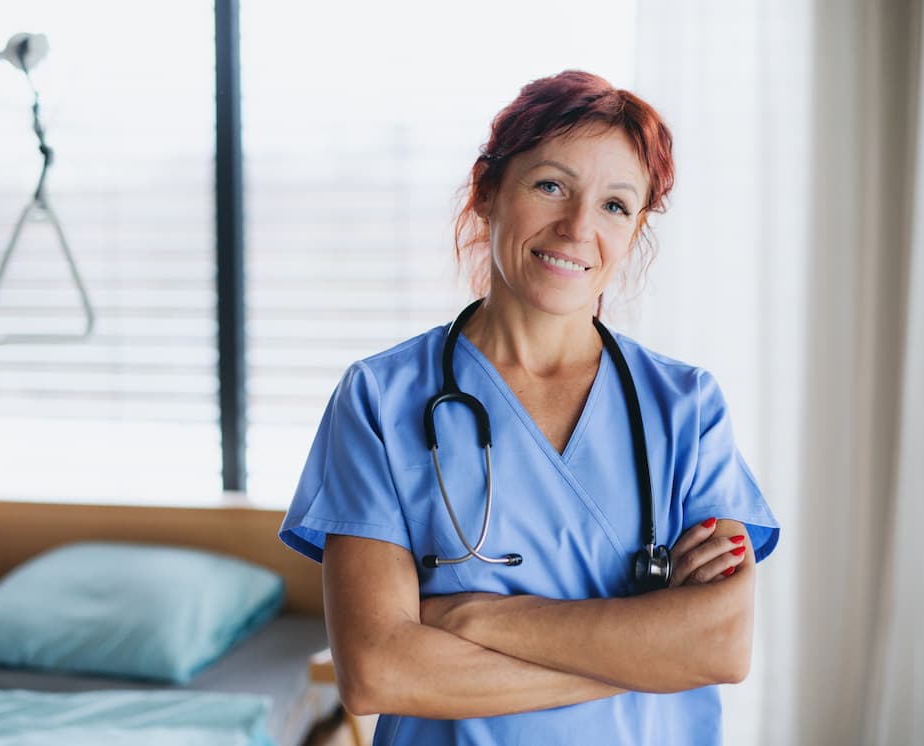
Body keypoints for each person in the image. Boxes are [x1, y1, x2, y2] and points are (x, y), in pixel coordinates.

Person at [280, 70, 779, 745]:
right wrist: (650, 654)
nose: (577, 228)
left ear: (635, 230)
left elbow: (721, 646)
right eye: (551, 186)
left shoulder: (686, 410)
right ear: (487, 190)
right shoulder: (379, 400)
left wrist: (474, 619)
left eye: (615, 205)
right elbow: (378, 671)